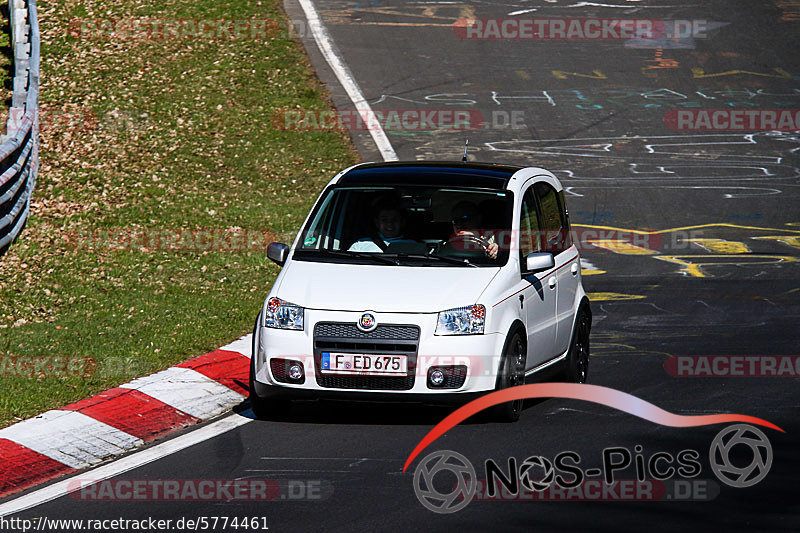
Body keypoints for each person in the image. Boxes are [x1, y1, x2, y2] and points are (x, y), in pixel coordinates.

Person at [348, 197, 413, 252]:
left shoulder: (413, 246)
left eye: (394, 219)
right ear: (377, 222)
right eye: (384, 220)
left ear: (402, 222)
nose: (389, 223)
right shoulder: (360, 245)